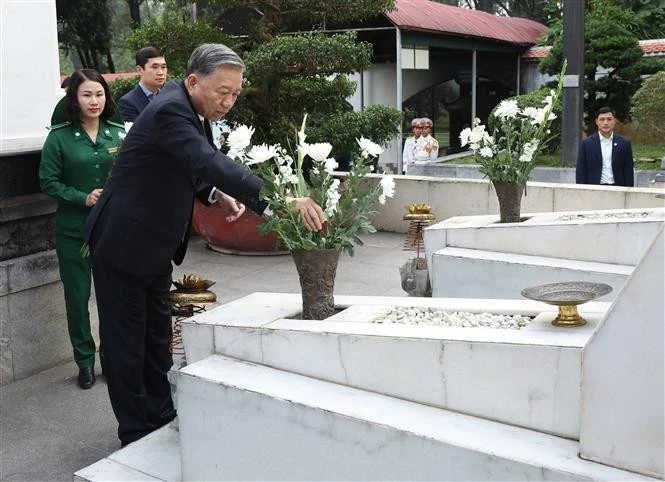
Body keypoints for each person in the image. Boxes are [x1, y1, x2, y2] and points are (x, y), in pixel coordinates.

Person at [83, 43, 326, 447]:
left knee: (156, 339)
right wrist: (279, 198)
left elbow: (189, 164)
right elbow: (207, 160)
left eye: (235, 94)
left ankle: (161, 415)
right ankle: (136, 431)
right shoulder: (170, 110)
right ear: (193, 81)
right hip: (123, 242)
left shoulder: (192, 109)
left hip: (154, 246)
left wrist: (214, 194)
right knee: (127, 345)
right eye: (222, 92)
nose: (228, 102)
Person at [39, 69, 125, 390]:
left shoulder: (117, 133)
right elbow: (48, 182)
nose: (94, 101)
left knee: (112, 299)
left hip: (111, 230)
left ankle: (110, 358)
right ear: (74, 99)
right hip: (74, 230)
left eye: (99, 94)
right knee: (77, 299)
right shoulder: (59, 137)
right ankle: (85, 362)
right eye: (87, 95)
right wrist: (82, 197)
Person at [576, 107, 634, 187]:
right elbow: (581, 171)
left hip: (618, 189)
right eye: (602, 119)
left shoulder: (624, 144)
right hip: (594, 189)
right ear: (597, 122)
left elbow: (628, 172)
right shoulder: (586, 144)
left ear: (614, 121)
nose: (605, 123)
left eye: (609, 119)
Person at [118, 46, 167, 122]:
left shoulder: (169, 96)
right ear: (139, 70)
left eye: (163, 67)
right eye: (154, 67)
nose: (160, 72)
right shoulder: (128, 102)